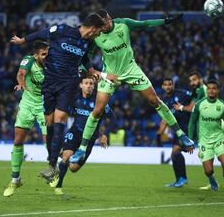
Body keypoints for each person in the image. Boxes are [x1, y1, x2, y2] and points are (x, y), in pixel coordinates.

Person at [70, 9, 194, 164]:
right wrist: (87, 70)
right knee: (98, 110)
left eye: (109, 19)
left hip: (131, 70)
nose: (108, 23)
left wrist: (165, 21)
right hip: (110, 74)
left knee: (155, 101)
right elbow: (85, 56)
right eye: (104, 23)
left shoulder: (123, 23)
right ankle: (82, 149)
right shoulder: (96, 35)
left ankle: (181, 135)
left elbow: (145, 24)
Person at [10, 13, 105, 182]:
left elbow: (84, 59)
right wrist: (23, 40)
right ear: (93, 28)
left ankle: (52, 166)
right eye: (99, 31)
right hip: (50, 81)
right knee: (50, 123)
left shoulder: (88, 43)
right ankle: (52, 161)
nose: (99, 34)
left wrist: (92, 70)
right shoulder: (62, 30)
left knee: (60, 118)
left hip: (68, 83)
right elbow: (41, 34)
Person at [175, 70, 224, 190]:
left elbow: (192, 109)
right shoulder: (198, 90)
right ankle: (211, 180)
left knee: (219, 155)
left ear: (201, 79)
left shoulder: (202, 90)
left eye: (194, 80)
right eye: (190, 81)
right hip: (207, 124)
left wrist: (180, 107)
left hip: (213, 125)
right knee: (211, 156)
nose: (192, 82)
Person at [49, 71, 113, 195]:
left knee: (73, 168)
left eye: (91, 83)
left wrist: (105, 134)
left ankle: (61, 159)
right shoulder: (75, 98)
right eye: (86, 83)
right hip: (75, 132)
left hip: (89, 138)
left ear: (94, 86)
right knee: (67, 155)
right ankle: (58, 186)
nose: (89, 85)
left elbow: (113, 118)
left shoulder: (99, 101)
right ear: (81, 85)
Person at [3, 41, 49, 197]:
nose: (46, 56)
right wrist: (21, 82)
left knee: (48, 140)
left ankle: (53, 171)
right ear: (36, 55)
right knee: (17, 141)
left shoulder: (53, 64)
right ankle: (15, 179)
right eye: (43, 54)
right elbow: (21, 73)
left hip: (44, 105)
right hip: (28, 103)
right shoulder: (29, 60)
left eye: (47, 53)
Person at [188, 79, 224, 196]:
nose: (211, 91)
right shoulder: (200, 104)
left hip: (219, 139)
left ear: (218, 90)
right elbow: (192, 123)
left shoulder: (223, 105)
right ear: (207, 90)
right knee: (208, 170)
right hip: (204, 141)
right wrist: (190, 140)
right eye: (209, 88)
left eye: (214, 88)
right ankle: (211, 179)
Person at [158, 77, 192, 188]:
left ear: (173, 85)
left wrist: (183, 107)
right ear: (162, 87)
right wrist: (159, 134)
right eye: (165, 84)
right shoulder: (164, 102)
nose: (168, 86)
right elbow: (165, 120)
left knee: (176, 151)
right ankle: (179, 180)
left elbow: (196, 100)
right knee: (174, 154)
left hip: (187, 128)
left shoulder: (182, 94)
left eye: (170, 84)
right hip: (178, 131)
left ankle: (182, 178)